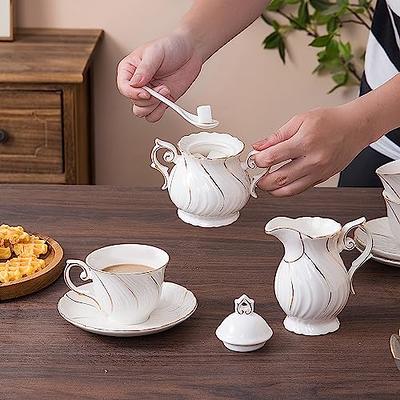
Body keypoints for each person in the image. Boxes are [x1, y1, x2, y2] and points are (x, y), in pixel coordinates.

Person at [117, 0, 400, 197]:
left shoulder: (363, 126)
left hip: (373, 127)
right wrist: (191, 39)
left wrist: (361, 122)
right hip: (381, 142)